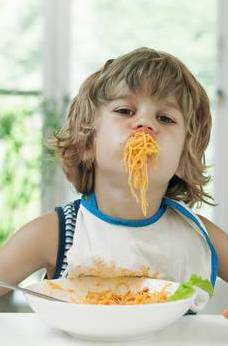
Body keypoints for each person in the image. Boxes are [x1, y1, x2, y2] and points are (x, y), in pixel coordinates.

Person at [0, 47, 227, 316]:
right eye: (125, 110)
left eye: (165, 118)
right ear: (87, 143)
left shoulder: (199, 235)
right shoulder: (53, 234)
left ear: (182, 159)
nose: (145, 123)